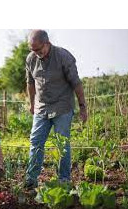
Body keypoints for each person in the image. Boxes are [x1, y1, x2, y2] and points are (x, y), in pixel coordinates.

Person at [24, 29, 88, 189]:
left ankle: (64, 180)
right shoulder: (31, 59)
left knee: (62, 144)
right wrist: (32, 103)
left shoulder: (63, 56)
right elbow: (30, 83)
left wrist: (82, 107)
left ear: (48, 43)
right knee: (35, 142)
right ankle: (31, 180)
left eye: (39, 49)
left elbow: (76, 83)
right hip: (41, 107)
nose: (36, 53)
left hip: (62, 106)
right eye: (33, 50)